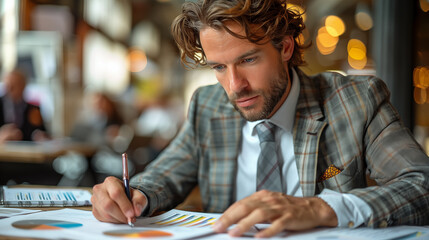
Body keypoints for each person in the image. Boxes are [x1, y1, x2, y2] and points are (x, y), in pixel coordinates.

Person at [91, 0, 429, 238]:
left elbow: (422, 184)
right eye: (219, 68)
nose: (235, 87)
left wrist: (322, 209)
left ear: (284, 47)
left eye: (248, 59)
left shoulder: (357, 101)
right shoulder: (208, 106)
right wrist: (133, 195)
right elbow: (164, 175)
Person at [0, 70, 48, 143]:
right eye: (7, 85)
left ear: (23, 86)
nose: (9, 89)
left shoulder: (33, 109)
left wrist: (38, 136)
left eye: (13, 86)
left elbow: (42, 132)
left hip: (27, 152)